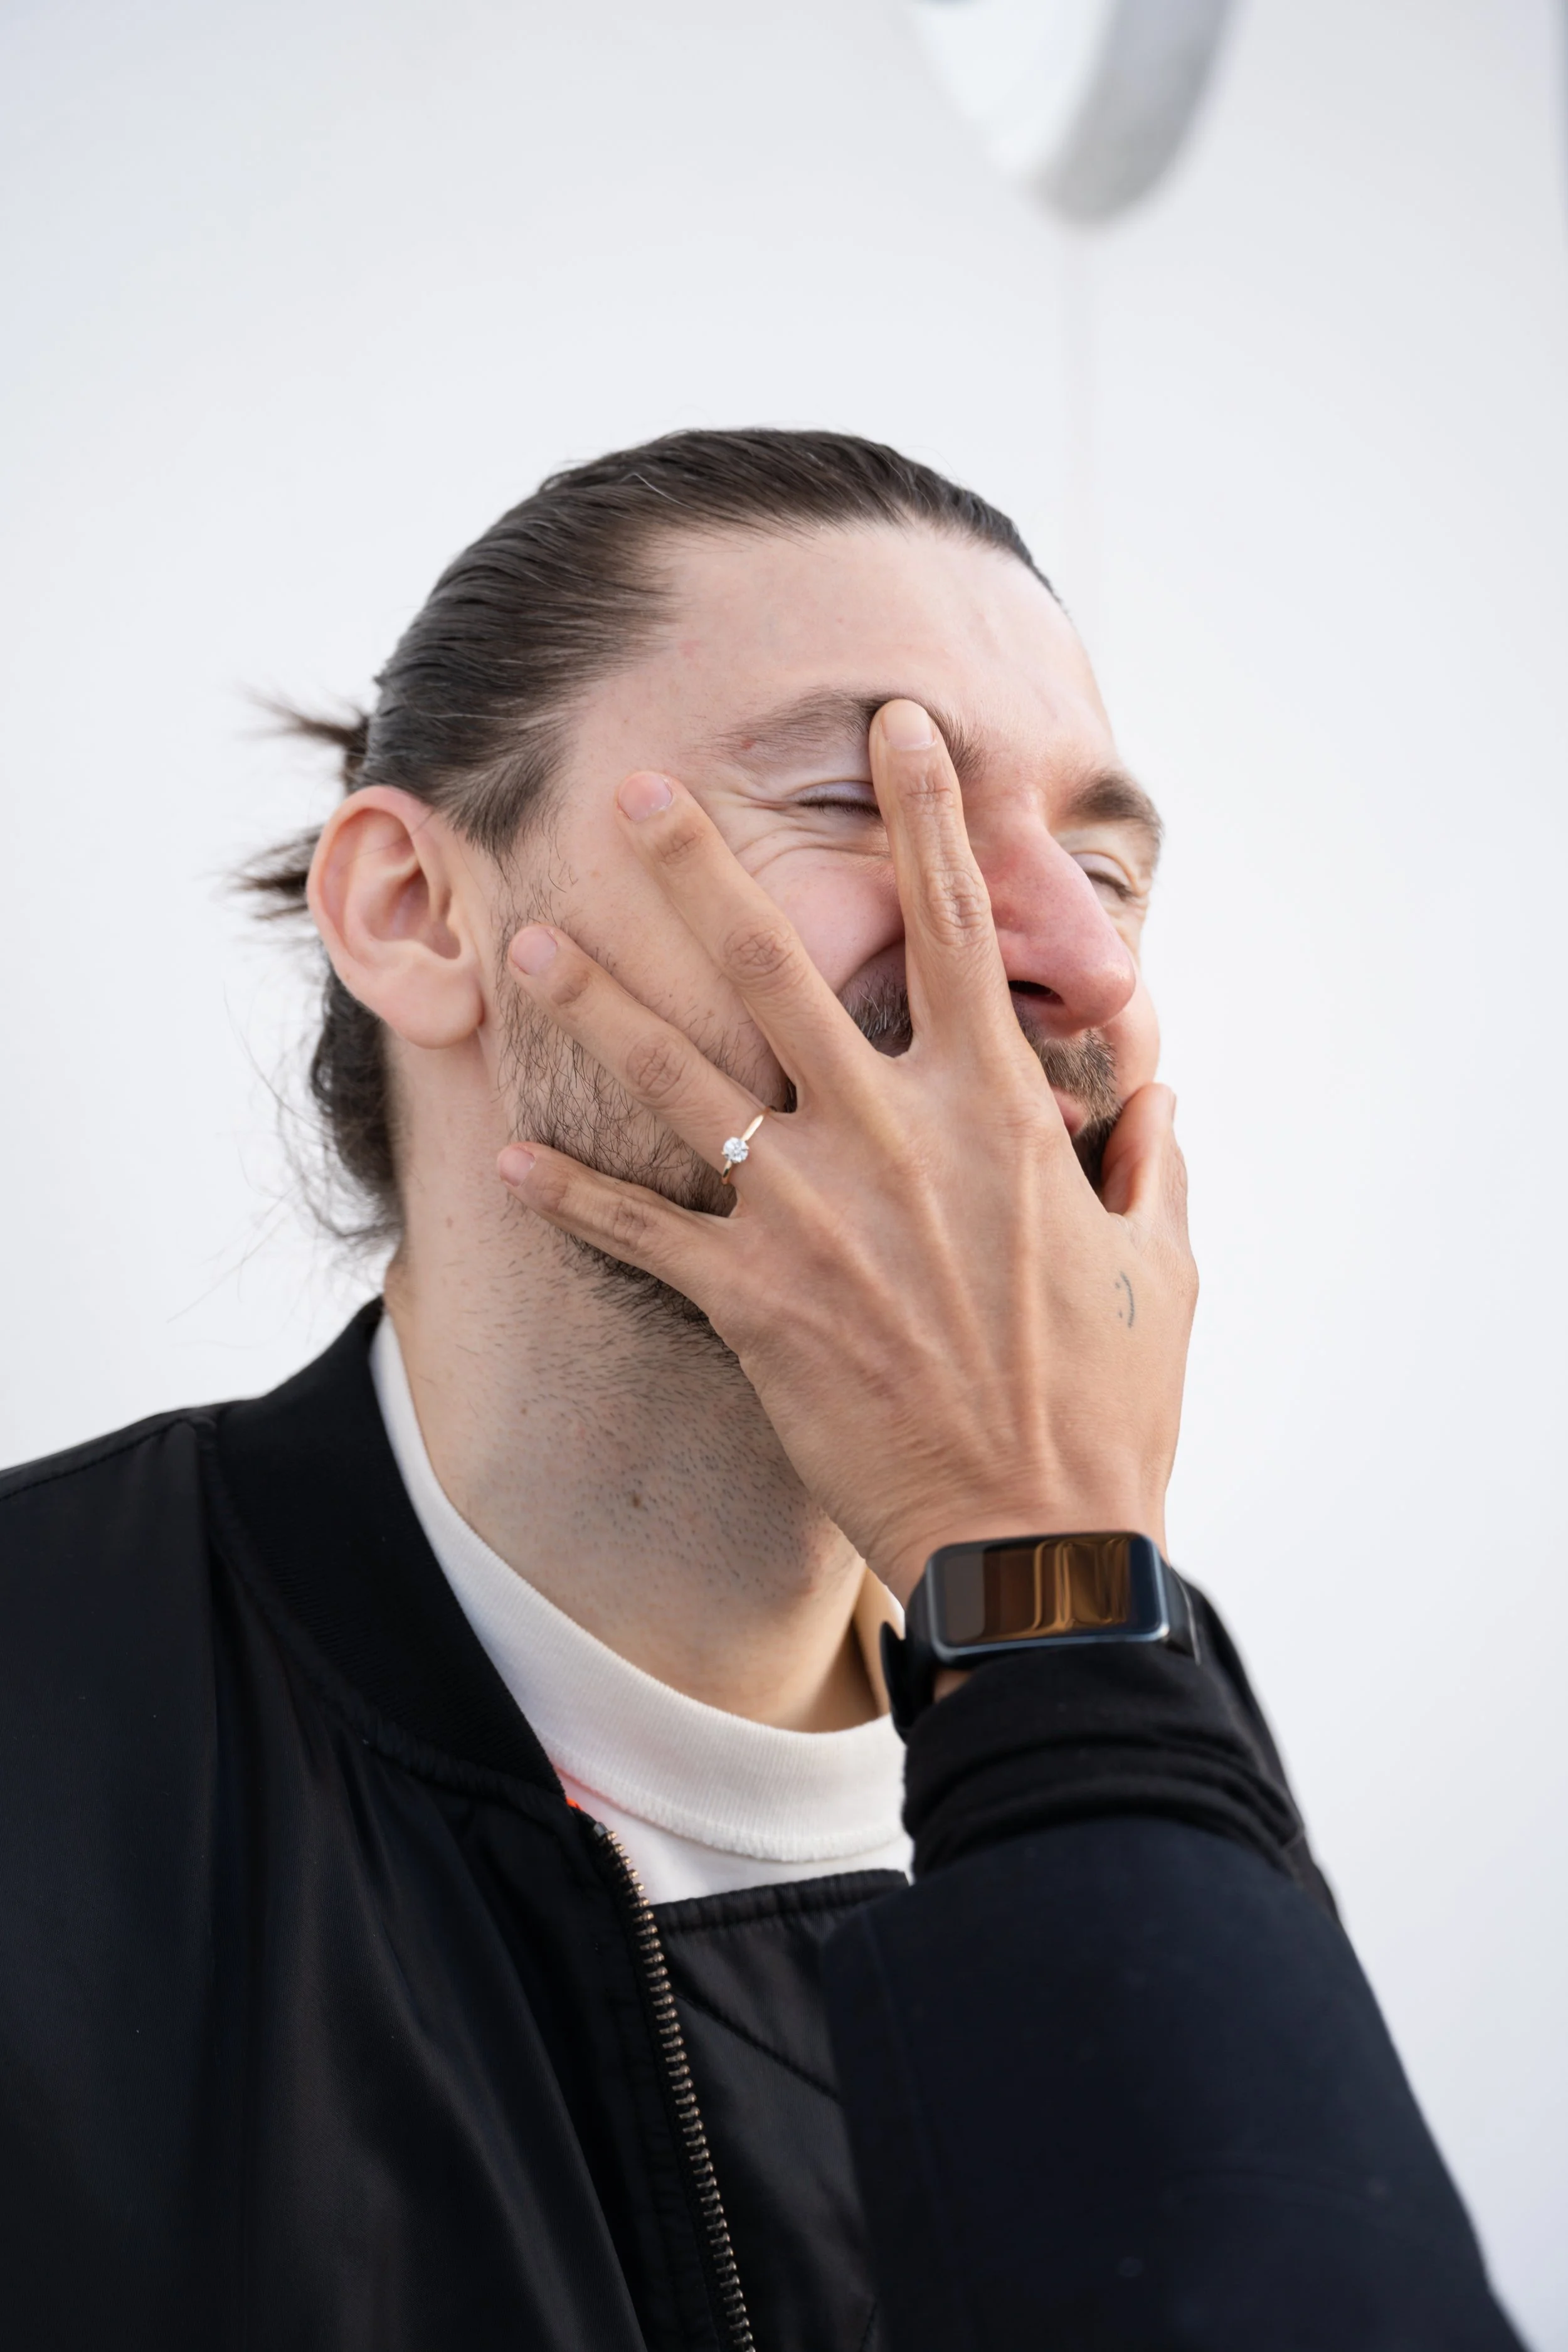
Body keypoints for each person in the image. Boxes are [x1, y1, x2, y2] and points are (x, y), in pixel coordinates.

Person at [0, 430, 1520, 2349]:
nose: (1058, 956)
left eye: (1106, 865)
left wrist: (1044, 1589)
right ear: (412, 911)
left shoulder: (1128, 1659)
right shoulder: (50, 1696)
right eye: (858, 798)